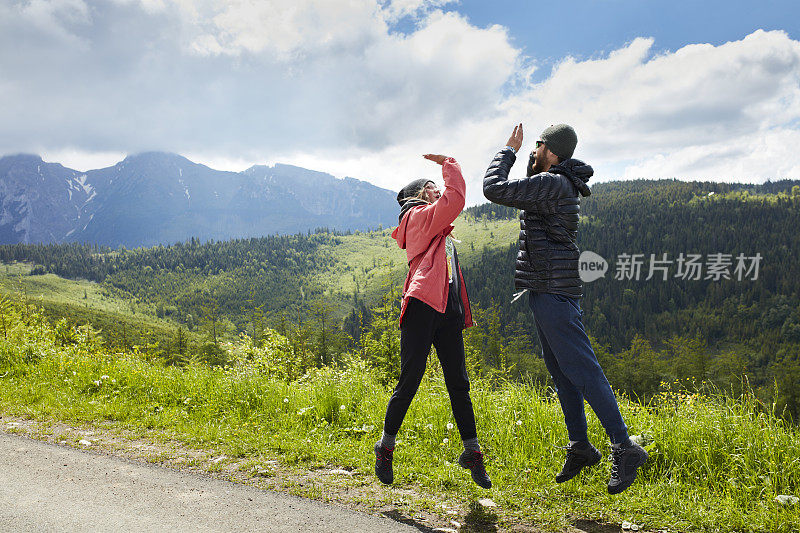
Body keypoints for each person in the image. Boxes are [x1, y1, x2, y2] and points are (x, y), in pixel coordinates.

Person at [482, 123, 648, 495]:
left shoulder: (553, 184)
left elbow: (493, 189)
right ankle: (580, 447)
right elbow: (525, 196)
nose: (535, 148)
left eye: (540, 144)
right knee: (562, 371)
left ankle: (624, 447)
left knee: (582, 368)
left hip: (554, 290)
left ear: (552, 151)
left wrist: (508, 150)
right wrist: (532, 160)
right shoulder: (553, 182)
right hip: (548, 287)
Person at [374, 153, 491, 489]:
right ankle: (385, 446)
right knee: (409, 380)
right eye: (431, 187)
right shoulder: (417, 218)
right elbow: (457, 198)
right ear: (417, 197)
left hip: (447, 312)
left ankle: (472, 453)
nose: (438, 191)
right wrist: (449, 163)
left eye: (437, 187)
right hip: (424, 307)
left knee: (459, 384)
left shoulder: (439, 230)